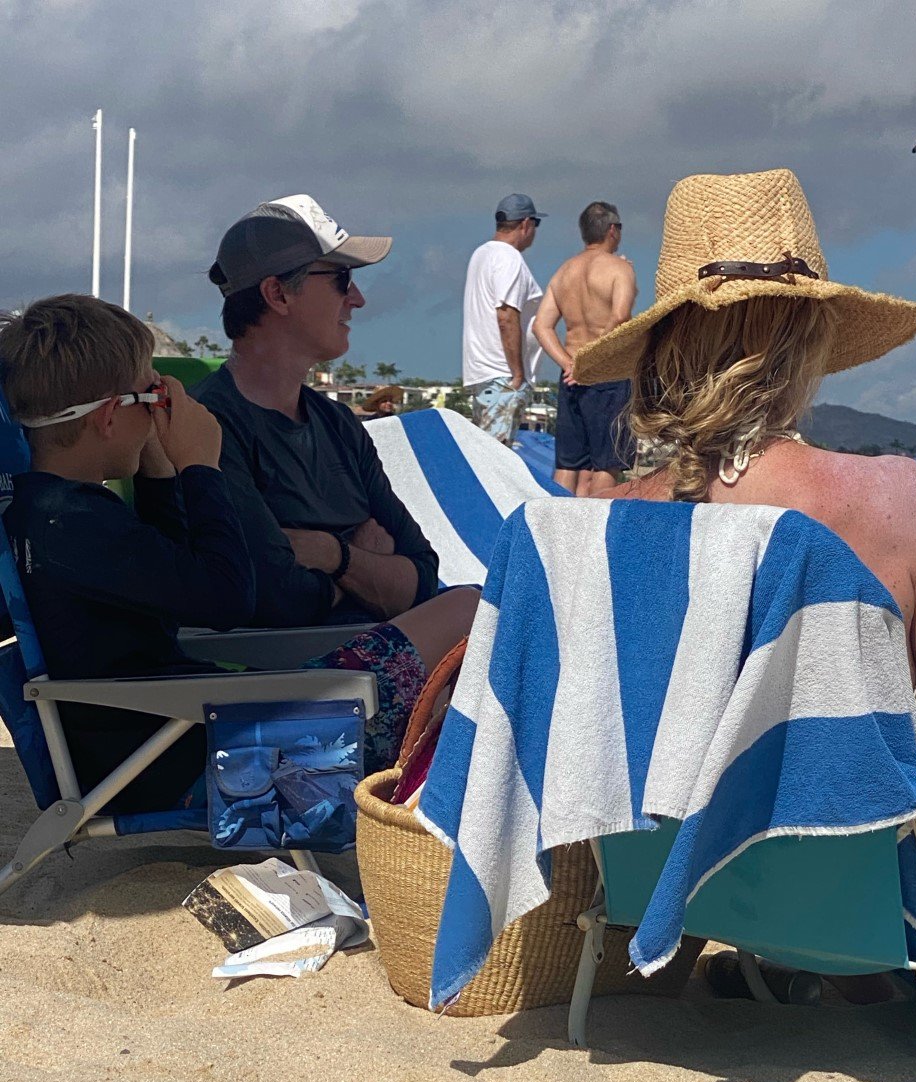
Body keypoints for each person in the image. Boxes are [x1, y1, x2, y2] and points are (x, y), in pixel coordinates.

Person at [573, 167, 916, 1001]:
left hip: (673, 895)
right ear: (811, 336)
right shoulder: (897, 499)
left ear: (664, 346)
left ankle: (778, 962)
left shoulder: (601, 525)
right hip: (878, 913)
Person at [0, 295, 478, 814]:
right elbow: (226, 599)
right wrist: (202, 466)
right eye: (152, 397)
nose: (163, 409)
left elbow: (178, 589)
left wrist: (159, 469)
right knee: (469, 609)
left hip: (178, 744)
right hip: (210, 764)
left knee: (464, 612)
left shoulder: (51, 513)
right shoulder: (75, 523)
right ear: (111, 416)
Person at [193, 195, 441, 631]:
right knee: (476, 611)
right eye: (342, 278)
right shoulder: (208, 426)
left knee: (481, 607)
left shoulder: (339, 424)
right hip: (288, 666)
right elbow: (278, 598)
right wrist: (364, 559)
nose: (358, 299)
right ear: (278, 294)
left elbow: (423, 575)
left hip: (356, 654)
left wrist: (330, 554)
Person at [533, 201, 637, 494]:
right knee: (607, 464)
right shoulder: (619, 269)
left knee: (568, 464)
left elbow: (541, 326)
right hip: (609, 374)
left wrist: (570, 364)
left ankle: (553, 521)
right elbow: (620, 316)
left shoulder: (563, 272)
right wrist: (592, 362)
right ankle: (595, 523)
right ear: (613, 230)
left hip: (571, 377)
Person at [462, 193, 545, 445]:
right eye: (536, 224)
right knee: (496, 457)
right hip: (503, 375)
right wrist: (517, 374)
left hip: (484, 372)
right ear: (526, 224)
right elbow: (506, 316)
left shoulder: (481, 254)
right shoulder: (509, 258)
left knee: (485, 453)